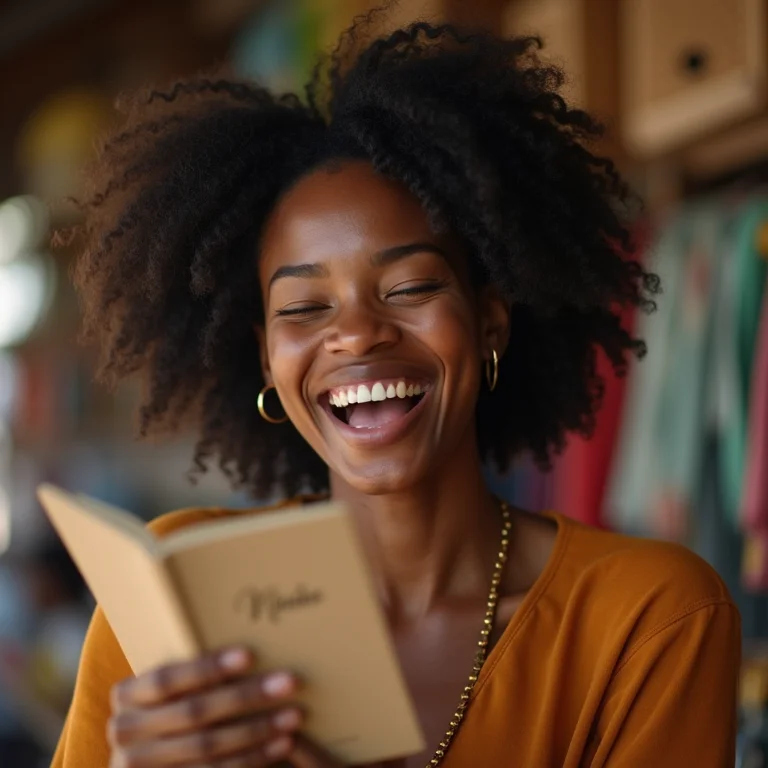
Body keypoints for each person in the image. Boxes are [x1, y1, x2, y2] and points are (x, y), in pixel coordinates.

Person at [52, 13, 740, 768]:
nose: (356, 334)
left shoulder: (648, 619)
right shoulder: (174, 597)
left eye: (410, 286)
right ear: (266, 360)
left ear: (490, 324)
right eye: (305, 308)